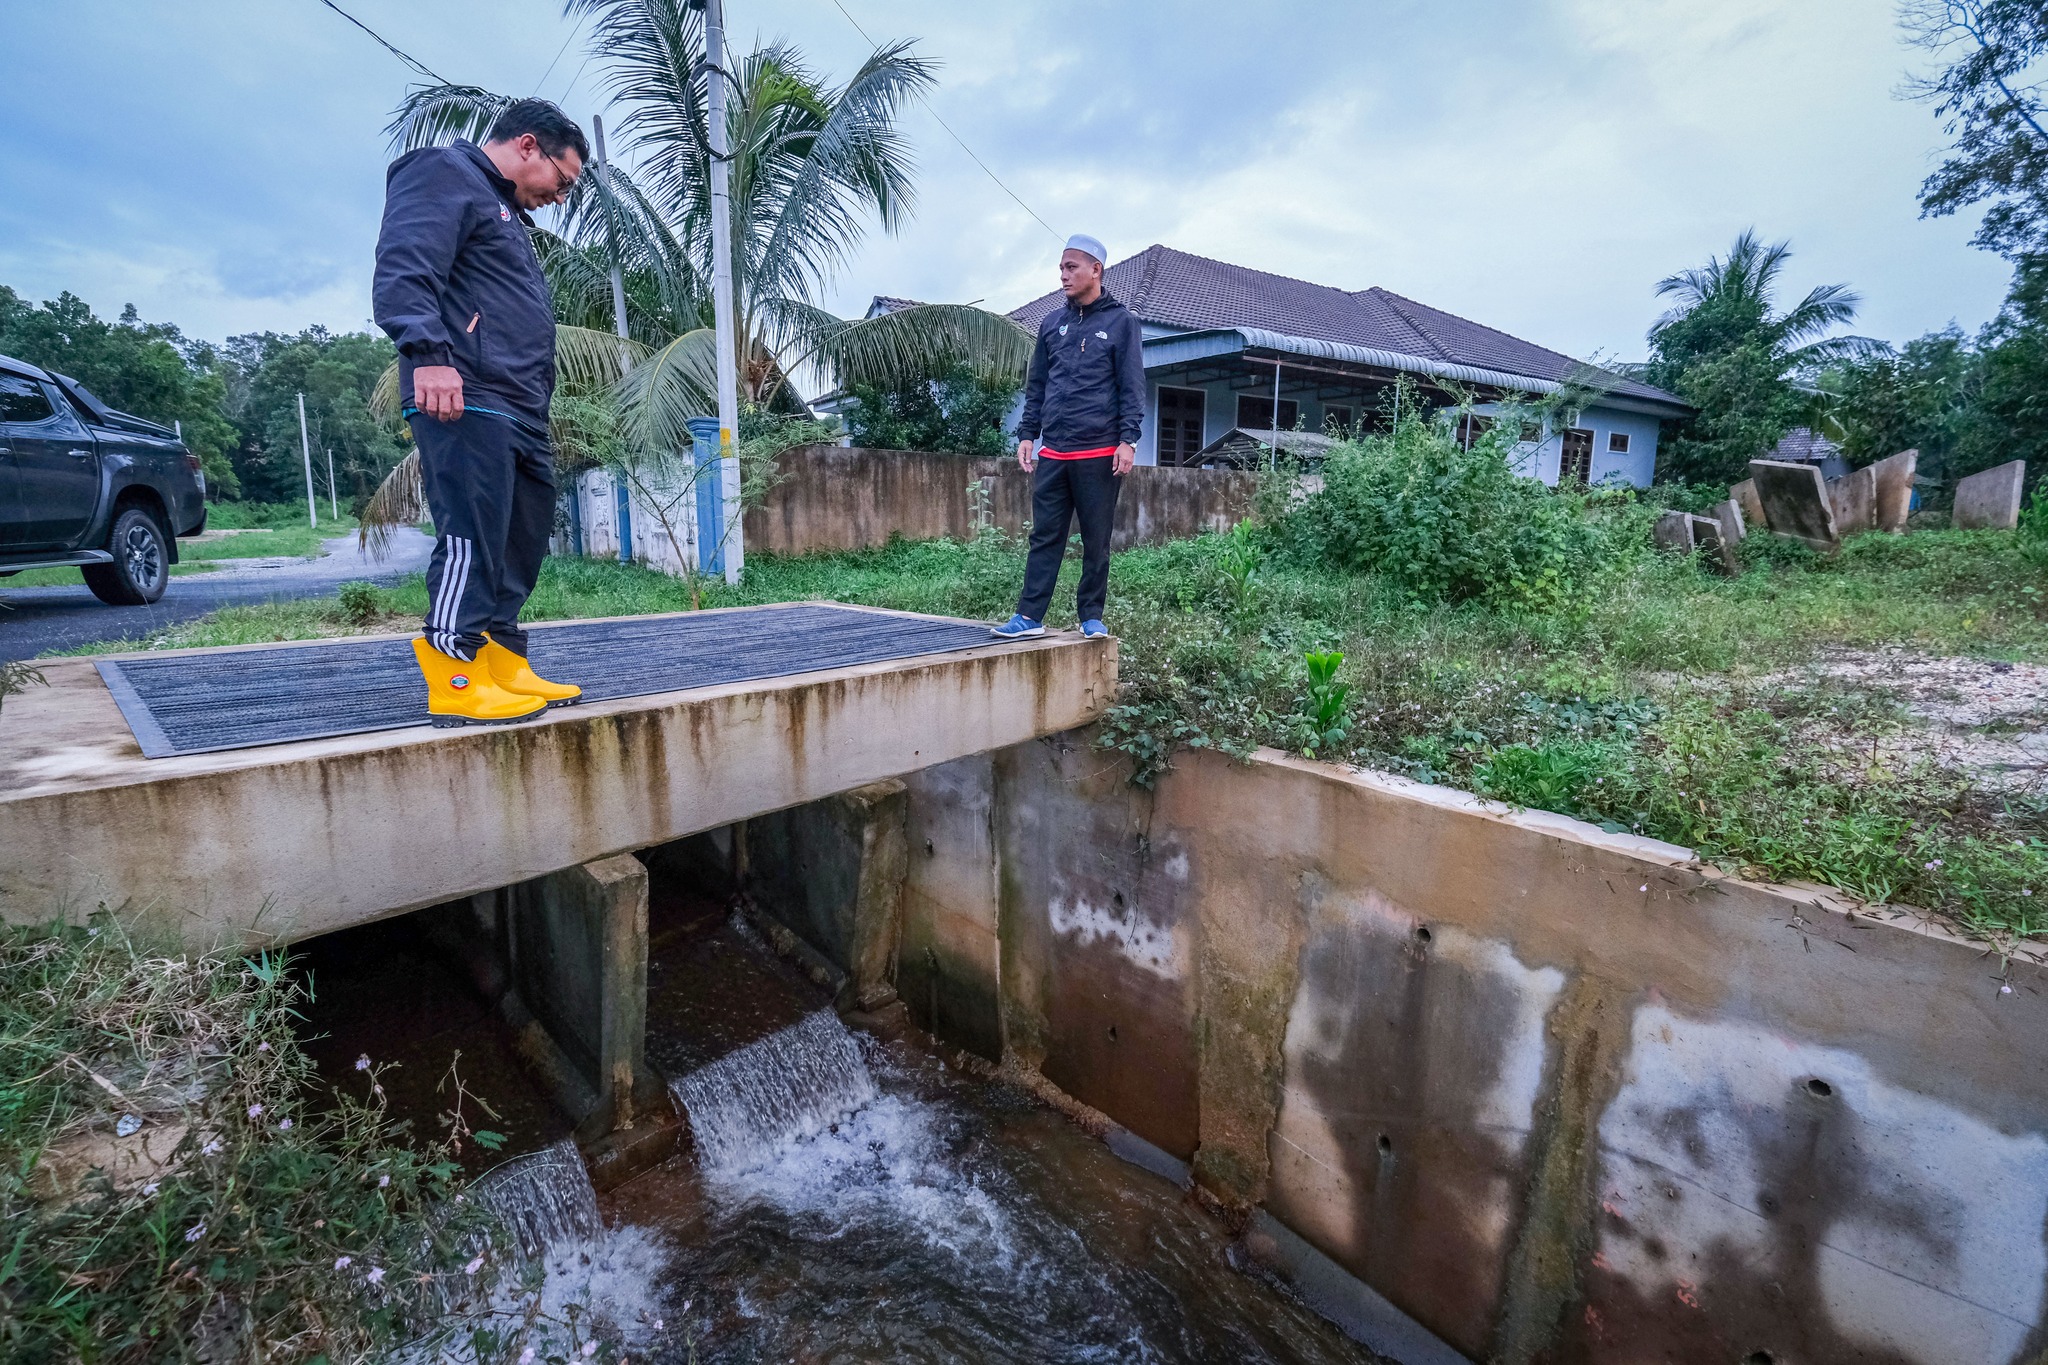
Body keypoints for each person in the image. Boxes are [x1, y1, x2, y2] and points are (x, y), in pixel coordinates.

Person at [372, 99, 588, 726]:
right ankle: (455, 668)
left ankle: (499, 656)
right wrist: (428, 354)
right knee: (472, 532)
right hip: (465, 390)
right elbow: (406, 265)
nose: (561, 195)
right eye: (562, 180)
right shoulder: (442, 172)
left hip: (519, 404)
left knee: (518, 536)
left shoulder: (506, 212)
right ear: (528, 146)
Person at [991, 234, 1145, 641]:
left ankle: (1091, 616)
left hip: (1100, 450)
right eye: (1061, 267)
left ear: (1096, 270)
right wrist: (1028, 435)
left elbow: (1132, 386)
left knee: (1096, 539)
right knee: (1045, 535)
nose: (1063, 275)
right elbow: (1037, 385)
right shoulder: (1051, 324)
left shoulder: (1121, 322)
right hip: (1054, 452)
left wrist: (1128, 439)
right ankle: (1029, 616)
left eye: (1071, 267)